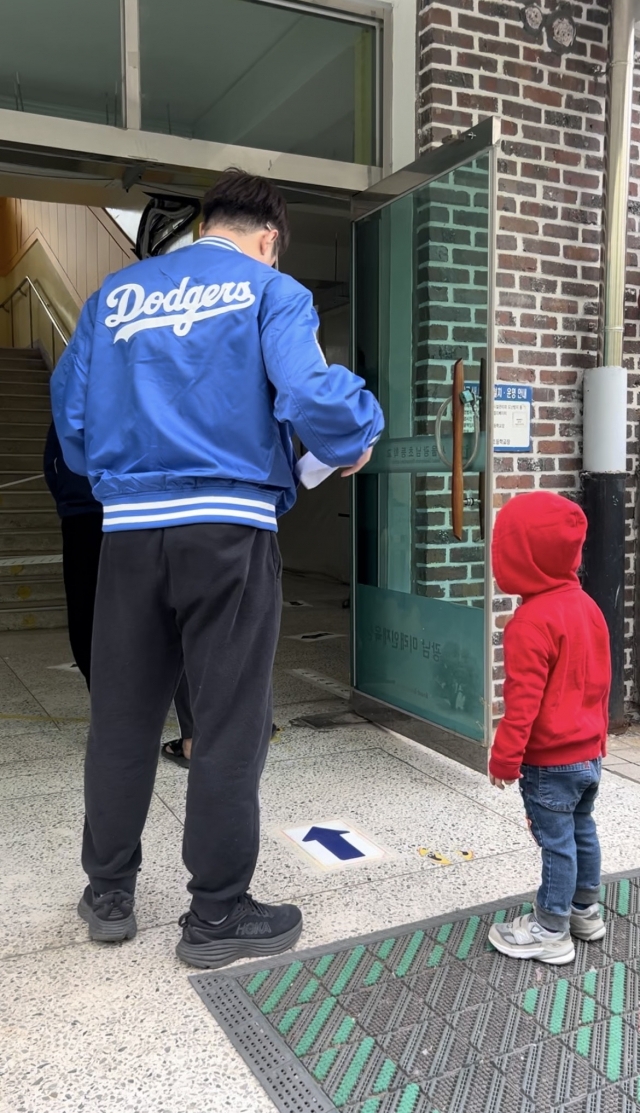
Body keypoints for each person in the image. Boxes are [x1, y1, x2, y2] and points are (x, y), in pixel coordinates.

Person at [50, 169, 384, 968]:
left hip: (128, 532)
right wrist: (356, 434)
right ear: (269, 239)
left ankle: (109, 890)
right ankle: (217, 913)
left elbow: (70, 414)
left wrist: (124, 481)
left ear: (207, 223)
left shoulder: (116, 294)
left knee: (124, 714)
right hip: (228, 530)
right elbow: (311, 395)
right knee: (229, 718)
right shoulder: (273, 291)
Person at [487, 492, 611, 965]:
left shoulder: (529, 623)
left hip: (550, 763)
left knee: (556, 844)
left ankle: (550, 929)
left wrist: (505, 759)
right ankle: (585, 911)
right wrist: (597, 743)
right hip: (590, 756)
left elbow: (523, 705)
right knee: (583, 831)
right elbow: (598, 684)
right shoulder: (589, 608)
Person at [44, 422, 194, 741]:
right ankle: (196, 732)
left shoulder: (77, 375)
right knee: (173, 616)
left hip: (87, 509)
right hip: (144, 508)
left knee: (90, 621)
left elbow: (56, 454)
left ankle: (114, 721)